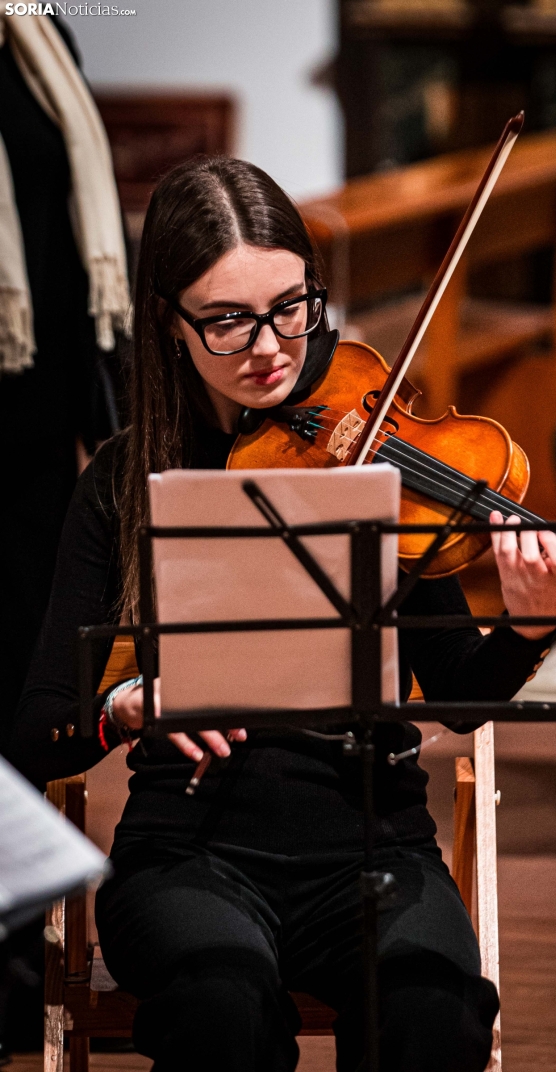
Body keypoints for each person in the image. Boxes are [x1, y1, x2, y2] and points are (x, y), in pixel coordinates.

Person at [7, 157, 556, 1072]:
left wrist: (529, 624)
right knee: (217, 1012)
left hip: (374, 838)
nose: (271, 346)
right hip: (190, 850)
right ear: (172, 325)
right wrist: (127, 706)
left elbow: (461, 696)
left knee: (435, 1019)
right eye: (229, 319)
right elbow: (37, 731)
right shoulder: (121, 482)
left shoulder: (371, 454)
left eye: (292, 304)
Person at [0, 12, 129, 1059]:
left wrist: (121, 436)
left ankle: (12, 968)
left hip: (35, 445)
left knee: (21, 701)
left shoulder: (39, 31)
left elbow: (81, 251)